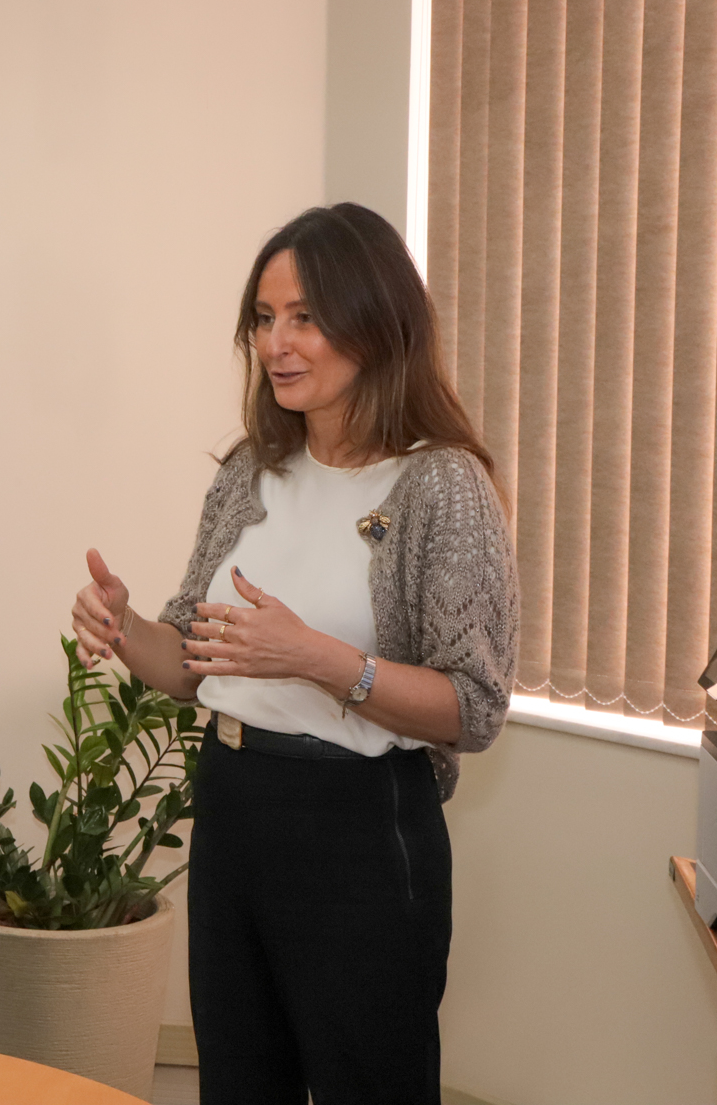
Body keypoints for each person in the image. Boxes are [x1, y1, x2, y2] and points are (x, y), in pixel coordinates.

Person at [71, 204, 518, 1105]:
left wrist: (320, 659)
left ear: (376, 320)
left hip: (360, 828)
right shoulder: (248, 472)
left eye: (306, 317)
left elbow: (475, 707)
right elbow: (190, 667)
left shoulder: (442, 484)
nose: (278, 342)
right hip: (234, 809)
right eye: (264, 318)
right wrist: (126, 632)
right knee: (238, 1081)